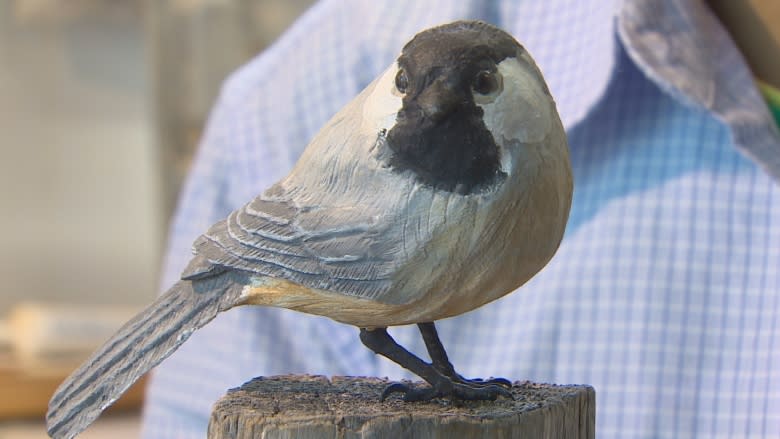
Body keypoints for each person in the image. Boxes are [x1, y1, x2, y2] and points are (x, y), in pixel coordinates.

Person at [141, 0, 780, 437]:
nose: (438, 105)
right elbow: (376, 320)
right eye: (412, 88)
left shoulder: (529, 163)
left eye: (479, 87)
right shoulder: (299, 84)